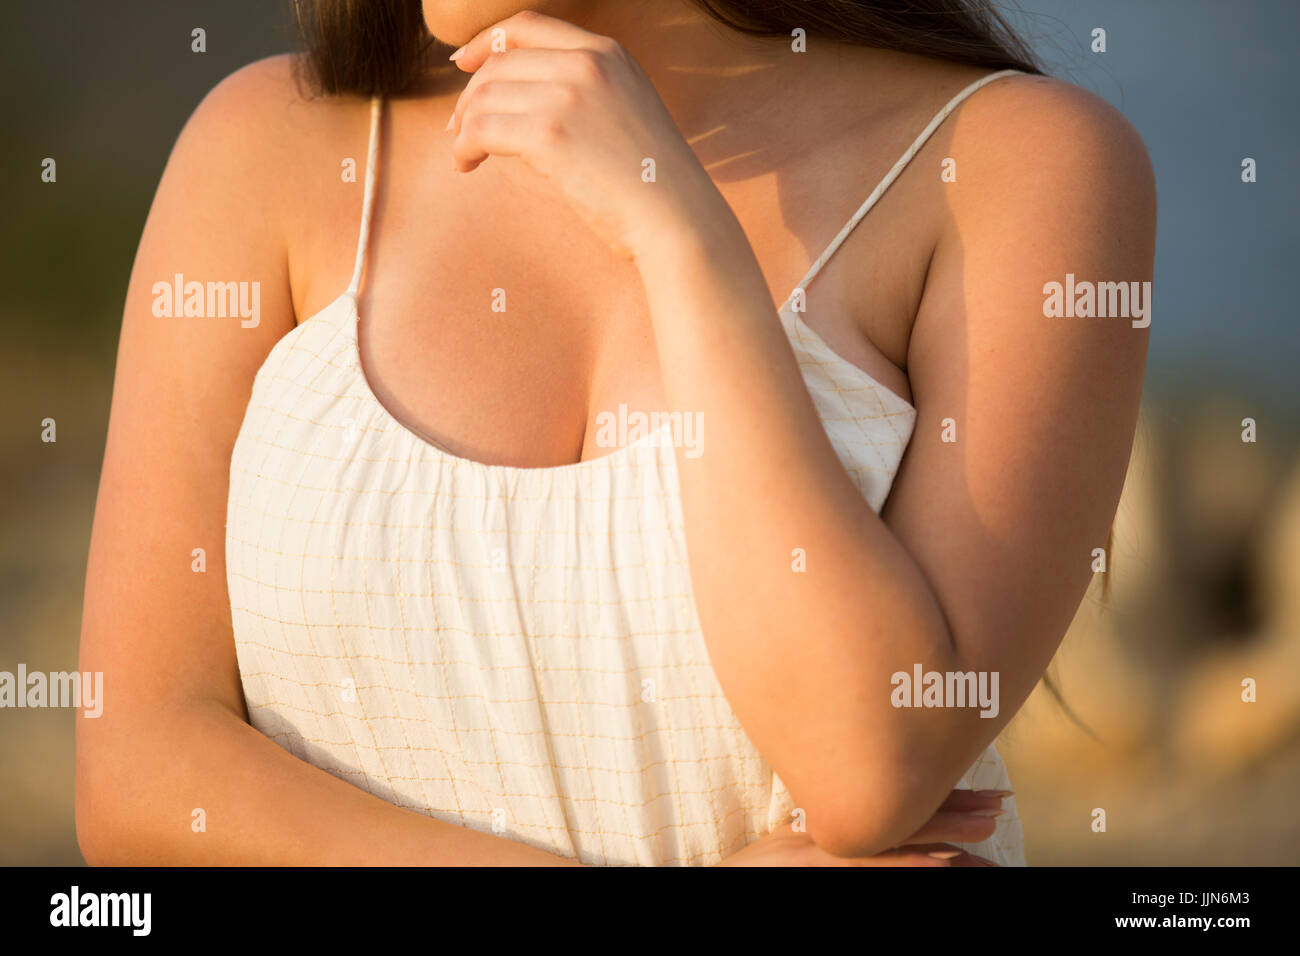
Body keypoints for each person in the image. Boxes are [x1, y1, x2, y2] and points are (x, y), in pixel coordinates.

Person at [76, 0, 1154, 866]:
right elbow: (136, 766)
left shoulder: (1016, 164)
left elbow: (867, 762)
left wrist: (681, 238)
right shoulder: (269, 145)